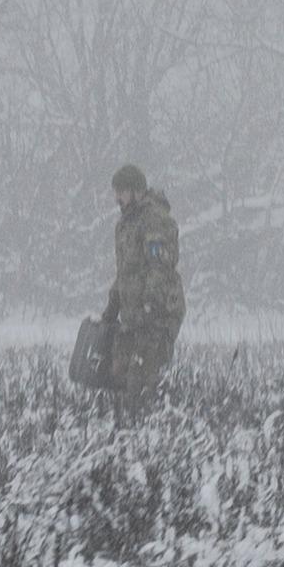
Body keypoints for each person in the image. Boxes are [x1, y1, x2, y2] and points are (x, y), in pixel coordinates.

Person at [99, 163, 185, 408]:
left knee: (144, 377)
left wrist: (149, 307)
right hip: (133, 314)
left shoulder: (156, 221)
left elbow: (159, 268)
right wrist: (112, 307)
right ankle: (128, 431)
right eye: (116, 192)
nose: (117, 198)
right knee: (119, 375)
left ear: (137, 191)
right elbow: (125, 271)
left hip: (157, 313)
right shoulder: (126, 224)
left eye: (122, 192)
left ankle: (156, 428)